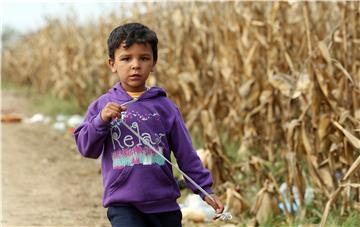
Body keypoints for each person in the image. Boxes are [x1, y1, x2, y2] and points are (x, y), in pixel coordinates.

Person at [74, 22, 224, 227]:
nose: (135, 65)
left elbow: (185, 153)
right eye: (126, 59)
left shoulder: (165, 107)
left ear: (153, 63)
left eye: (143, 58)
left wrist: (204, 189)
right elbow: (86, 148)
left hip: (165, 205)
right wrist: (101, 120)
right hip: (124, 204)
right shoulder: (103, 106)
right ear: (112, 64)